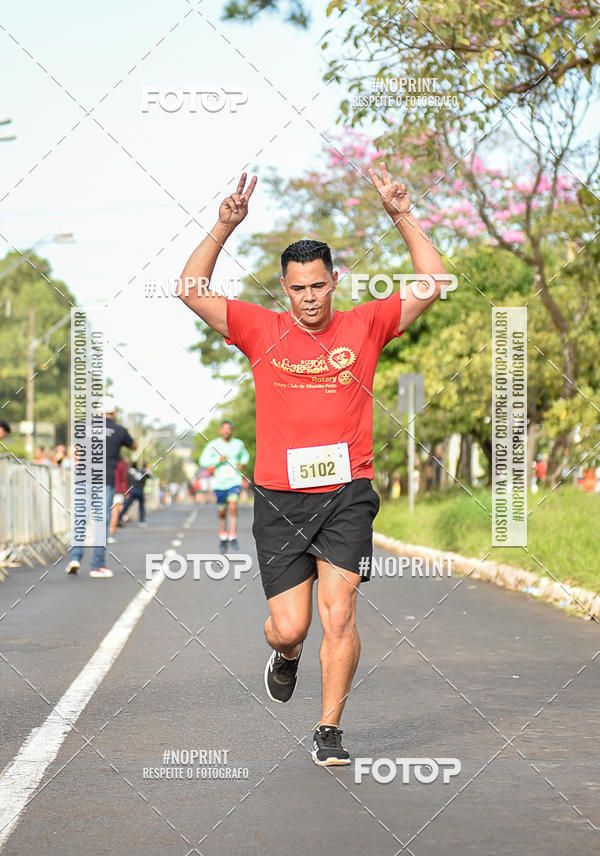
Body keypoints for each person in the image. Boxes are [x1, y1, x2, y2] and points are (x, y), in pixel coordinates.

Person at [177, 165, 450, 766]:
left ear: (334, 282)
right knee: (292, 625)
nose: (308, 299)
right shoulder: (260, 327)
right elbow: (190, 289)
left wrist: (402, 213)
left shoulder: (367, 324)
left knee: (340, 610)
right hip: (279, 498)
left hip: (348, 492)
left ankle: (329, 729)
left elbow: (434, 281)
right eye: (298, 289)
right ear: (284, 287)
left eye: (318, 287)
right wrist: (223, 228)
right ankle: (286, 654)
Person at [65, 397, 135, 578]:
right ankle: (97, 565)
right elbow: (133, 445)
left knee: (80, 518)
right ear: (114, 412)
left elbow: (75, 450)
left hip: (83, 478)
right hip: (104, 480)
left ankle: (75, 558)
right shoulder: (119, 430)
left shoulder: (84, 426)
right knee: (101, 522)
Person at [199, 420, 249, 552]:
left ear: (232, 431)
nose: (226, 431)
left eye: (229, 429)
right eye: (224, 429)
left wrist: (242, 463)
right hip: (220, 483)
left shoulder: (238, 444)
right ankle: (223, 535)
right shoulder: (213, 445)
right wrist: (217, 460)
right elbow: (202, 461)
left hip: (234, 480)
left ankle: (232, 534)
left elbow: (245, 456)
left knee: (233, 505)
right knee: (222, 511)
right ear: (220, 431)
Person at [119, 461, 152, 526]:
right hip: (140, 491)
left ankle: (119, 518)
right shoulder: (142, 472)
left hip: (132, 490)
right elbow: (150, 477)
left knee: (126, 505)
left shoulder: (128, 472)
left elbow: (124, 480)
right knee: (141, 507)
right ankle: (142, 521)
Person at [108, 457, 129, 543]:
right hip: (118, 491)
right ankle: (110, 535)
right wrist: (126, 492)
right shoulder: (121, 463)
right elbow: (123, 479)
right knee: (115, 514)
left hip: (105, 489)